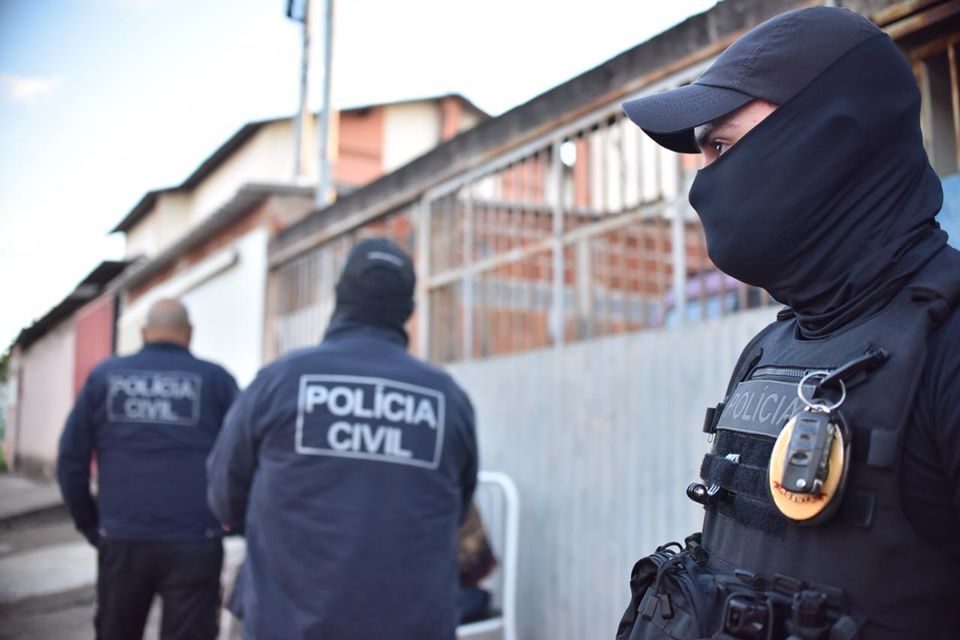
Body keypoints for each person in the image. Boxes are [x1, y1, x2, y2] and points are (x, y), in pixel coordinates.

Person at [615, 7, 960, 640]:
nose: (703, 185)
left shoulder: (947, 341)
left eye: (721, 146)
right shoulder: (768, 350)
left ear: (831, 137)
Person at [207, 237, 479, 640]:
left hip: (287, 624)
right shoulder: (448, 398)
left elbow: (225, 495)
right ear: (408, 309)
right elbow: (457, 506)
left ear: (340, 297)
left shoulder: (279, 382)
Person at [57, 298, 239, 640]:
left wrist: (92, 525)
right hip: (195, 539)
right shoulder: (216, 380)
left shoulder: (105, 377)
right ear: (189, 333)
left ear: (143, 333)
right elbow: (243, 456)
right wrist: (231, 520)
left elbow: (70, 460)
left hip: (123, 537)